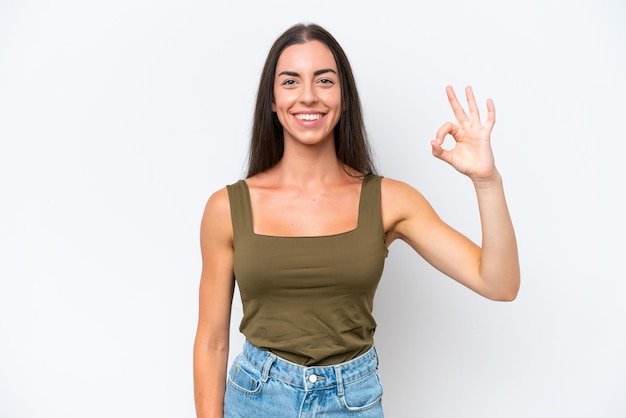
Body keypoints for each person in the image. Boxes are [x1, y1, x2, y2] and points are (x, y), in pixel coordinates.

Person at [193, 22, 520, 418]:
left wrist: (487, 181)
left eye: (325, 80)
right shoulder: (226, 209)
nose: (308, 96)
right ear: (273, 101)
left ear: (345, 98)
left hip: (351, 403)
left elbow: (499, 283)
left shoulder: (390, 201)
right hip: (256, 399)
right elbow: (211, 341)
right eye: (291, 81)